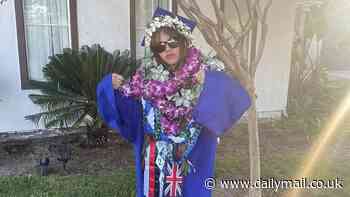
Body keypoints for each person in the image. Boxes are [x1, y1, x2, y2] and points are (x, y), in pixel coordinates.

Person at [96, 8, 251, 197]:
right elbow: (131, 116)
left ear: (184, 42)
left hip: (194, 155)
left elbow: (237, 98)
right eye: (160, 46)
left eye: (172, 42)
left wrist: (211, 82)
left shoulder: (203, 71)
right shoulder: (144, 80)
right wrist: (109, 88)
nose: (167, 49)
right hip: (155, 162)